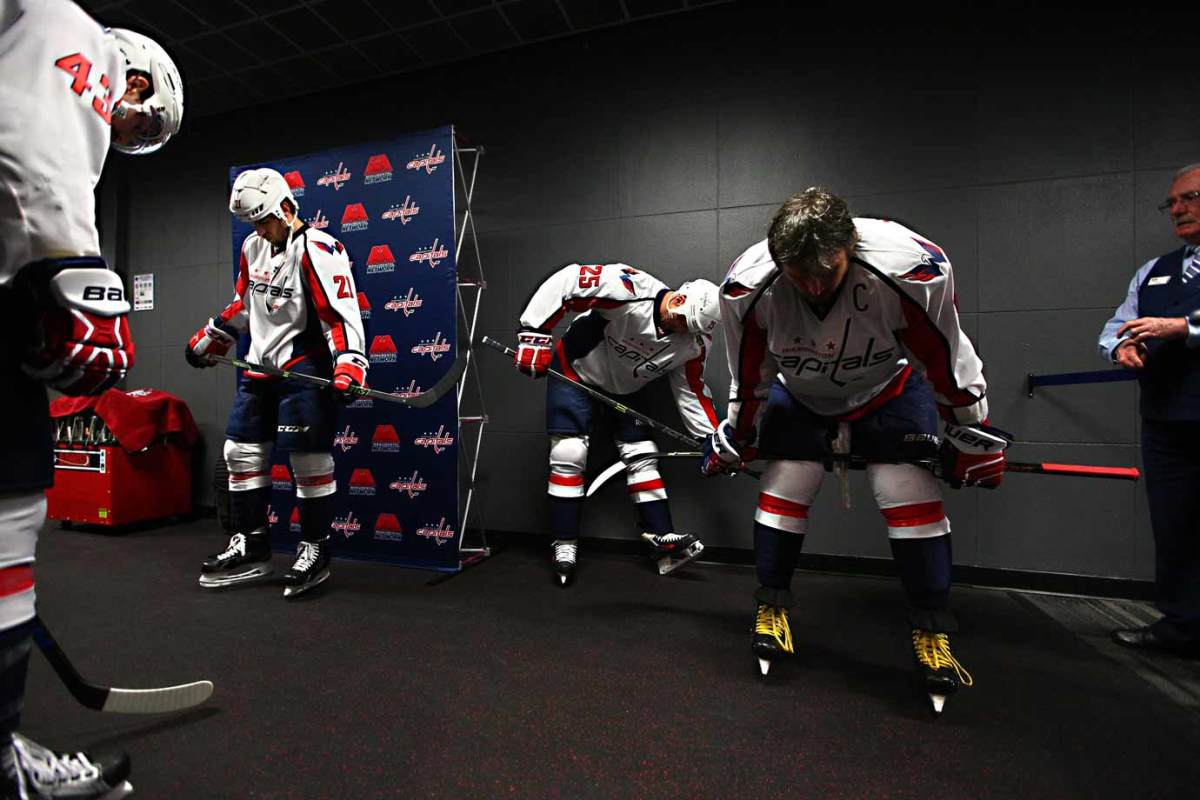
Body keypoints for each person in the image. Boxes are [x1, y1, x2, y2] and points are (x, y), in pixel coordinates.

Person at [703, 188, 1008, 713]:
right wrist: (738, 435)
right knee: (788, 481)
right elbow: (749, 373)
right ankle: (771, 606)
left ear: (852, 245)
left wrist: (971, 434)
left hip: (887, 385)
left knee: (905, 487)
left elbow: (946, 358)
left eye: (828, 270)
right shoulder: (745, 286)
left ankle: (932, 627)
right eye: (800, 274)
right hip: (800, 393)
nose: (816, 285)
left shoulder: (912, 267)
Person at [0, 0, 183, 795]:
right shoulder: (68, 26)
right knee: (7, 516)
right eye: (136, 123)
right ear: (136, 78)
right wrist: (67, 269)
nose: (122, 136)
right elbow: (39, 140)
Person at [186, 167, 368, 599]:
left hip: (303, 369)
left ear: (287, 208)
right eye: (254, 223)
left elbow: (338, 314)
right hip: (259, 367)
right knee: (240, 451)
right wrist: (215, 337)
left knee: (307, 460)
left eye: (264, 220)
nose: (260, 230)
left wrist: (350, 364)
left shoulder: (318, 248)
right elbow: (246, 303)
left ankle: (315, 548)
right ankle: (252, 543)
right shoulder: (253, 246)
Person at [514, 263, 722, 584]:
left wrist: (713, 441)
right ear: (678, 301)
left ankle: (661, 540)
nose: (685, 333)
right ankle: (565, 541)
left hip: (624, 390)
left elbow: (691, 391)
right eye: (683, 324)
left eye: (693, 330)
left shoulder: (694, 343)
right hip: (575, 372)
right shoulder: (631, 289)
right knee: (569, 455)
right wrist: (535, 332)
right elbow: (570, 281)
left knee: (643, 455)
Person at [1098, 163, 1200, 657]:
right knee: (1174, 526)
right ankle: (1180, 626)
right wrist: (1119, 348)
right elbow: (1116, 324)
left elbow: (1178, 327)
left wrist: (1183, 328)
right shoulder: (1153, 271)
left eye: (1190, 198)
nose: (1178, 209)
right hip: (1166, 422)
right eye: (1172, 203)